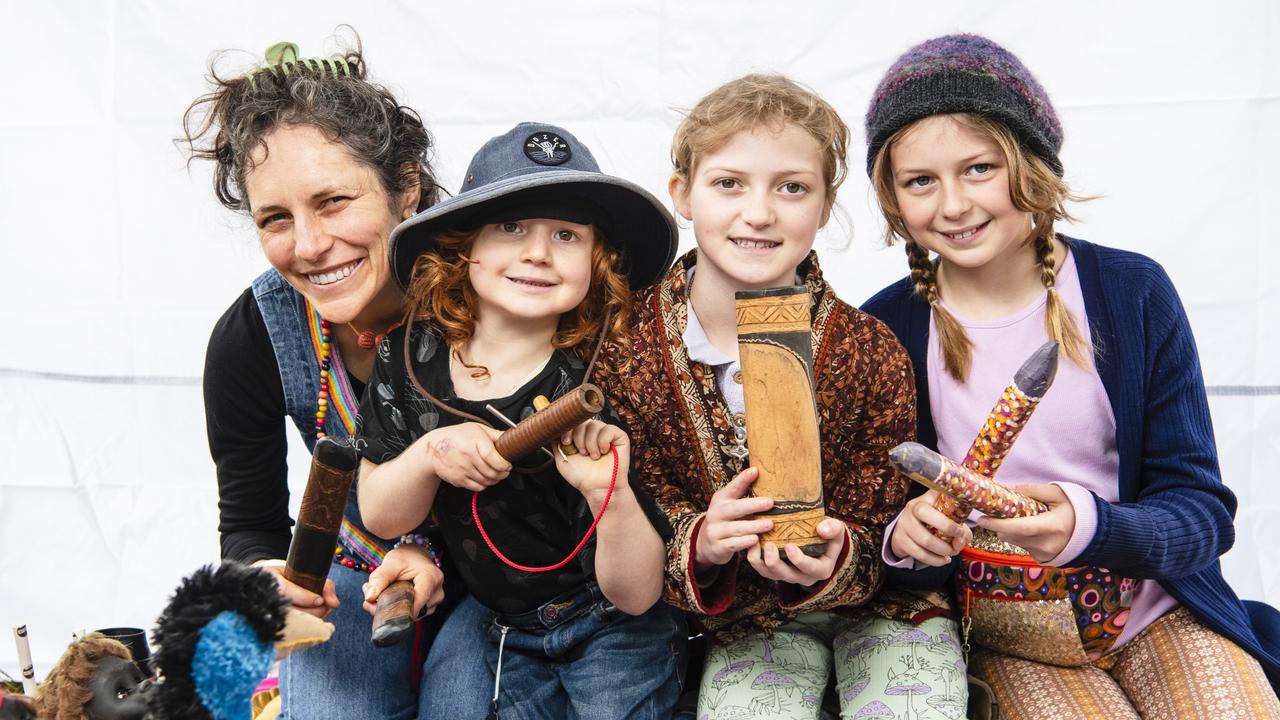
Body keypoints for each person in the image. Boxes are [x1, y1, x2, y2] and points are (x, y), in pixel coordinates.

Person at [862, 33, 1280, 719]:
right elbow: (877, 537)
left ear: (1031, 163)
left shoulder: (1132, 293)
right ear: (891, 195)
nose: (954, 205)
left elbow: (1203, 512)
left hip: (1160, 612)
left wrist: (1093, 527)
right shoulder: (884, 332)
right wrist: (905, 542)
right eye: (920, 181)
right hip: (1009, 641)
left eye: (980, 168)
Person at [598, 74, 966, 720]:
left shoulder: (871, 351)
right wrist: (704, 542)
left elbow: (883, 521)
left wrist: (833, 552)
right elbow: (645, 520)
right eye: (728, 183)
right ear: (682, 194)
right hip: (747, 627)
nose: (760, 213)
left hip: (883, 615)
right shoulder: (628, 355)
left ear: (825, 206)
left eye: (792, 187)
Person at [356, 122, 685, 719]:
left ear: (598, 261)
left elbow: (637, 594)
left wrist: (606, 493)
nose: (538, 252)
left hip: (612, 623)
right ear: (465, 245)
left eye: (566, 234)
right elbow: (382, 513)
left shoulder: (608, 376)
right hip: (505, 629)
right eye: (512, 228)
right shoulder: (408, 356)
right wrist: (428, 454)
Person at [185, 38, 470, 719]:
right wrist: (266, 577)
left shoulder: (488, 299)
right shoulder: (253, 335)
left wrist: (442, 563)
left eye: (333, 201)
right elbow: (250, 524)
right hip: (353, 581)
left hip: (497, 580)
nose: (308, 245)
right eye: (276, 218)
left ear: (406, 185)